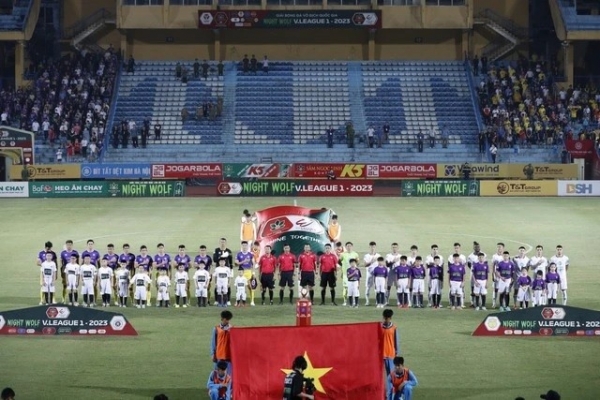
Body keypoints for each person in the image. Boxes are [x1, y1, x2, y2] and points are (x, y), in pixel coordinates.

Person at [381, 308, 400, 395]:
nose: (386, 319)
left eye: (388, 318)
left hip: (391, 354)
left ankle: (393, 393)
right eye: (385, 318)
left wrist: (396, 352)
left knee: (391, 375)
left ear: (390, 318)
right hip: (381, 355)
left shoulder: (394, 328)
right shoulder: (380, 327)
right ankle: (384, 392)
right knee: (381, 375)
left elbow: (396, 341)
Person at [211, 310, 233, 374]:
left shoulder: (232, 329)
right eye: (226, 319)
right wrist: (212, 354)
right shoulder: (216, 329)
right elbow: (213, 342)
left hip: (228, 356)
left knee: (228, 375)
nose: (228, 321)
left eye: (229, 319)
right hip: (219, 355)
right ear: (222, 319)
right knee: (217, 374)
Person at [339, 241, 359, 306]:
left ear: (352, 246)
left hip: (354, 273)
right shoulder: (342, 254)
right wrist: (342, 269)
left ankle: (353, 301)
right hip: (345, 273)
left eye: (350, 246)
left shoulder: (355, 254)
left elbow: (358, 263)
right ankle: (345, 301)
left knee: (354, 287)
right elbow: (339, 262)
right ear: (346, 247)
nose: (349, 247)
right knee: (345, 287)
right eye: (347, 246)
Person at [235, 241, 255, 305]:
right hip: (241, 272)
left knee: (250, 286)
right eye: (243, 245)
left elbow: (253, 263)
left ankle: (252, 301)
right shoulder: (238, 254)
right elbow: (237, 263)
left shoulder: (250, 254)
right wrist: (244, 261)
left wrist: (253, 272)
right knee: (239, 287)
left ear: (247, 246)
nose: (244, 247)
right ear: (241, 246)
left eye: (245, 245)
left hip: (248, 271)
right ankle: (238, 301)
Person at [363, 241, 380, 306]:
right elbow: (365, 265)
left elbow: (381, 264)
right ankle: (367, 301)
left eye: (373, 246)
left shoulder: (378, 256)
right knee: (368, 287)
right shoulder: (366, 256)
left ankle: (377, 301)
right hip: (369, 274)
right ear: (369, 247)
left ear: (375, 247)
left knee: (377, 287)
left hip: (377, 274)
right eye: (371, 246)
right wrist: (371, 262)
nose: (372, 248)